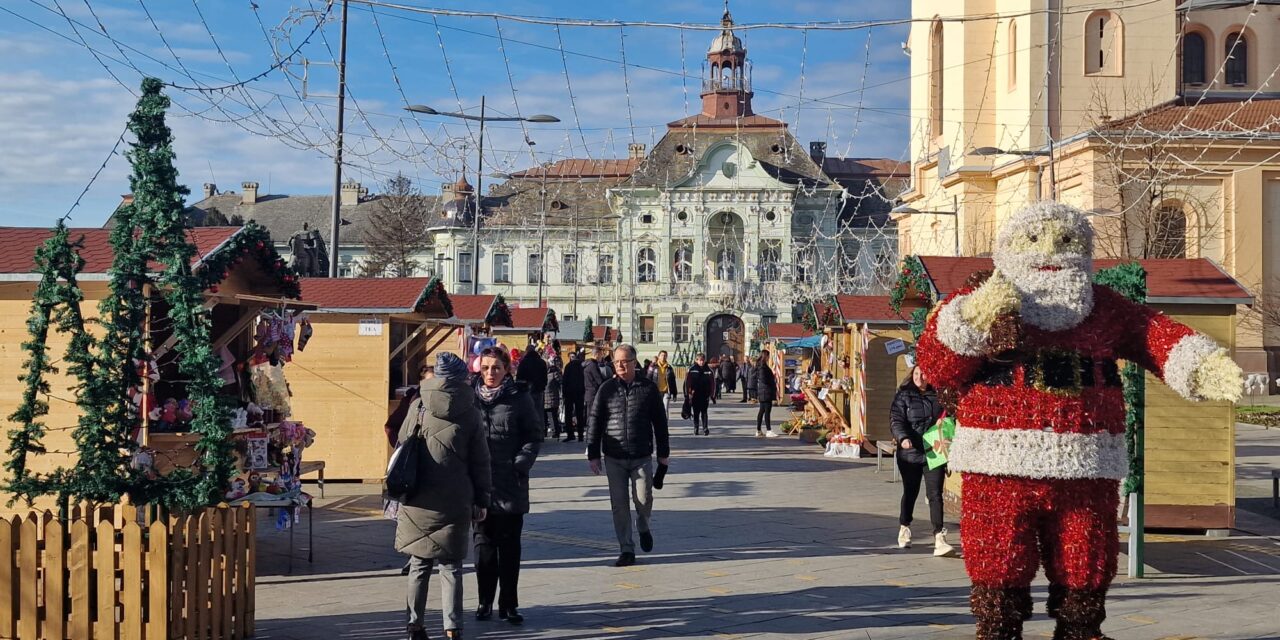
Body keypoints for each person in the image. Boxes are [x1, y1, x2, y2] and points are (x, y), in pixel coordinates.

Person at [917, 201, 1243, 640]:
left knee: (1086, 555)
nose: (1051, 251)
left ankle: (1081, 629)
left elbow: (1155, 335)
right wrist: (973, 317)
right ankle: (998, 629)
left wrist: (1200, 364)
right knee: (997, 554)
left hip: (1087, 464)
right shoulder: (978, 300)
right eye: (1034, 240)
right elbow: (937, 369)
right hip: (997, 464)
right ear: (1009, 249)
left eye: (1067, 241)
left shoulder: (1106, 308)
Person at [395, 353, 491, 640]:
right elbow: (480, 461)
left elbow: (401, 441)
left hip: (418, 497)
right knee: (451, 567)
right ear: (461, 377)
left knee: (419, 565)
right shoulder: (471, 411)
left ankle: (415, 625)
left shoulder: (419, 405)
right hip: (455, 497)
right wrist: (482, 499)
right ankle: (452, 627)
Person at [472, 347, 543, 626]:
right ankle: (484, 600)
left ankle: (509, 603)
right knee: (483, 547)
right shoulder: (470, 398)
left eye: (496, 368)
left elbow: (533, 435)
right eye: (486, 368)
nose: (490, 373)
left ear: (506, 370)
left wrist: (522, 462)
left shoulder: (518, 397)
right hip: (480, 484)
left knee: (510, 548)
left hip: (511, 481)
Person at [587, 344, 671, 567]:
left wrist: (663, 455)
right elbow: (595, 421)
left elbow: (660, 424)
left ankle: (643, 525)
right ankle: (626, 549)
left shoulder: (648, 389)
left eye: (625, 361)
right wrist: (593, 453)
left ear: (635, 362)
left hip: (641, 454)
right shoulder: (606, 389)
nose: (621, 365)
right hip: (613, 456)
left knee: (643, 499)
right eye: (617, 362)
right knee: (619, 504)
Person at [889, 366, 954, 557]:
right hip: (910, 452)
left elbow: (950, 415)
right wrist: (903, 438)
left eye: (923, 374)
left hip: (934, 451)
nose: (919, 377)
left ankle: (939, 537)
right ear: (912, 375)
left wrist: (946, 421)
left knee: (935, 494)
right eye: (916, 374)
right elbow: (896, 420)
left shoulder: (940, 396)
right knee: (911, 491)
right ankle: (904, 526)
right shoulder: (903, 396)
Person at [387, 364, 434, 449]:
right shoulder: (408, 402)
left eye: (435, 381)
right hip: (414, 453)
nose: (432, 385)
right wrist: (400, 447)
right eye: (429, 382)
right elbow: (390, 427)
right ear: (421, 382)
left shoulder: (442, 401)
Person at [683, 353, 715, 435]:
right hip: (695, 394)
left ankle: (705, 428)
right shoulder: (692, 369)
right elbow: (687, 382)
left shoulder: (708, 370)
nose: (701, 362)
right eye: (700, 360)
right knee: (696, 412)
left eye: (703, 360)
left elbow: (712, 383)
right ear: (696, 360)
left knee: (704, 412)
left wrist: (712, 394)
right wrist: (687, 394)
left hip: (705, 394)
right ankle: (696, 427)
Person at [561, 351, 586, 443]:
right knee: (579, 414)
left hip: (569, 393)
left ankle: (570, 434)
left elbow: (564, 381)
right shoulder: (581, 366)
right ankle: (580, 435)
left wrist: (564, 392)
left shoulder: (568, 366)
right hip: (579, 393)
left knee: (568, 414)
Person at [583, 346, 612, 420]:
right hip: (594, 393)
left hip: (588, 393)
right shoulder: (593, 365)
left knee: (590, 414)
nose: (602, 357)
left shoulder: (587, 364)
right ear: (596, 354)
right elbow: (599, 381)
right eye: (601, 354)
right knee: (593, 415)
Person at [754, 351, 778, 437]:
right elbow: (763, 379)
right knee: (767, 411)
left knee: (762, 411)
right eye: (768, 356)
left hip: (763, 391)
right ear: (765, 356)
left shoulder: (760, 365)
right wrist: (772, 379)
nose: (769, 358)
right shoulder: (762, 367)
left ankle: (758, 430)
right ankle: (768, 430)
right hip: (766, 391)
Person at [649, 350, 678, 415]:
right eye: (662, 355)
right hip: (656, 392)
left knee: (665, 409)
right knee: (656, 409)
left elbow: (673, 381)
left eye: (665, 356)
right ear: (658, 356)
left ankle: (665, 424)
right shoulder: (653, 367)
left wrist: (675, 394)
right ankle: (657, 424)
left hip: (666, 392)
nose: (663, 357)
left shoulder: (669, 368)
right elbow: (648, 378)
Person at [543, 355, 563, 439]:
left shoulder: (554, 374)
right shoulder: (546, 374)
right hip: (547, 398)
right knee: (547, 416)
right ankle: (548, 432)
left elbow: (561, 383)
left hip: (551, 398)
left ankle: (555, 432)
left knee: (552, 416)